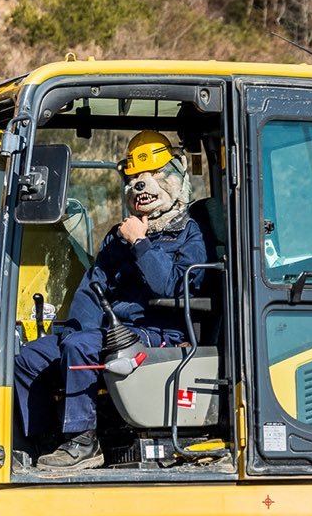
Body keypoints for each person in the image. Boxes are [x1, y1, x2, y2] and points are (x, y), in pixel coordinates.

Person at [14, 131, 207, 471]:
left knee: (79, 347)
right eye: (133, 181)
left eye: (147, 180)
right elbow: (95, 286)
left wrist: (141, 243)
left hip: (157, 331)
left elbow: (173, 286)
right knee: (29, 358)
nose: (139, 189)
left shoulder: (189, 234)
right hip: (106, 331)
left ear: (172, 181)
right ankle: (39, 443)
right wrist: (70, 333)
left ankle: (84, 442)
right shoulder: (119, 236)